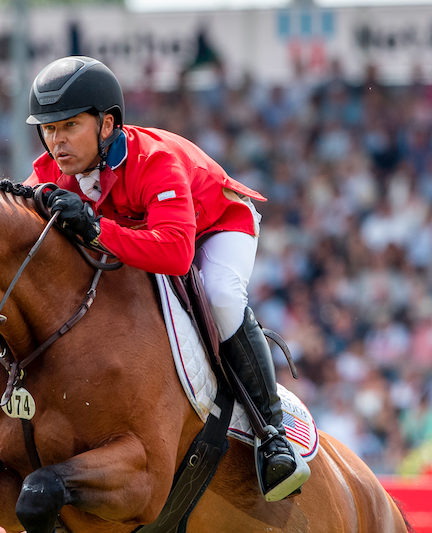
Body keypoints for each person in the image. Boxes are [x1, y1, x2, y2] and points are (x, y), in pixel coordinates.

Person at [22, 56, 309, 501]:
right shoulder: (50, 172)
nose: (56, 142)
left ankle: (272, 433)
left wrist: (97, 229)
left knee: (220, 295)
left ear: (106, 124)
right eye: (48, 129)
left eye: (69, 126)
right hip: (151, 234)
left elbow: (176, 254)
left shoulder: (153, 162)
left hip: (217, 225)